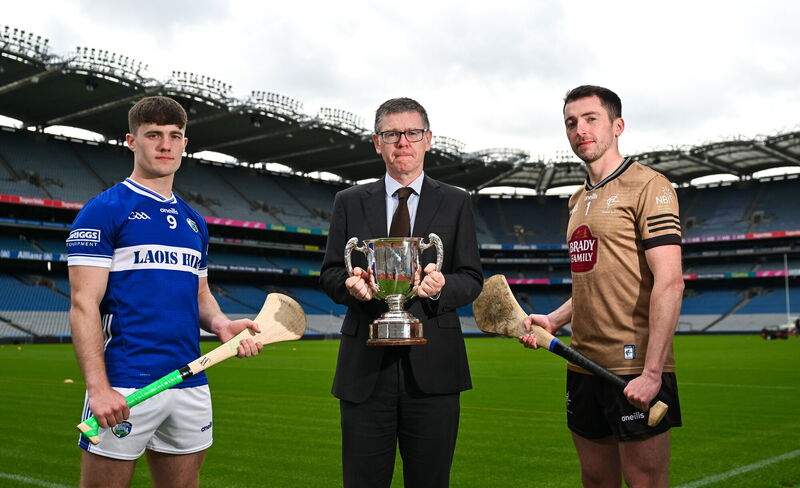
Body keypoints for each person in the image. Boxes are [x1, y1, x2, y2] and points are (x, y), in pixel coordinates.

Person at [67, 96, 263, 488]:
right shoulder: (104, 210)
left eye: (175, 136)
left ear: (185, 144)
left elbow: (200, 294)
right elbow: (82, 304)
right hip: (126, 383)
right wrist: (99, 389)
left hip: (189, 379)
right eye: (153, 135)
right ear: (131, 141)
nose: (165, 144)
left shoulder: (194, 222)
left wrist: (222, 324)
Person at [519, 85, 684, 488]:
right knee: (594, 479)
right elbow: (593, 280)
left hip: (632, 368)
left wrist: (652, 372)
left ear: (618, 125)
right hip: (582, 363)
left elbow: (670, 281)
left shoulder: (650, 186)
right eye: (571, 122)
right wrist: (555, 320)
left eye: (591, 119)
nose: (580, 129)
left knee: (645, 481)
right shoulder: (576, 200)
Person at [320, 97, 483, 488]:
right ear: (377, 143)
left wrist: (442, 286)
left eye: (412, 133)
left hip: (435, 372)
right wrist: (349, 285)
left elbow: (472, 277)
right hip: (365, 370)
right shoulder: (348, 201)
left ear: (428, 139)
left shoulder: (458, 201)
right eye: (392, 134)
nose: (402, 142)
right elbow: (328, 273)